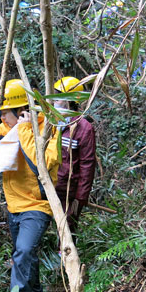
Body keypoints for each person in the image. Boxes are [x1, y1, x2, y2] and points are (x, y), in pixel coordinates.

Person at [0, 79, 61, 292]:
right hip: (14, 206)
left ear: (22, 112)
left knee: (22, 251)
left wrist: (24, 129)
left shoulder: (48, 128)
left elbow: (42, 164)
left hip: (36, 205)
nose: (2, 118)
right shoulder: (8, 128)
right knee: (27, 254)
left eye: (5, 113)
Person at [53, 77, 96, 234]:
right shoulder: (50, 122)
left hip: (68, 192)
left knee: (67, 231)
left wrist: (80, 198)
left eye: (57, 98)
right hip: (48, 187)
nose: (53, 102)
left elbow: (87, 165)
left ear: (68, 100)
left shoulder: (83, 128)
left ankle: (65, 258)